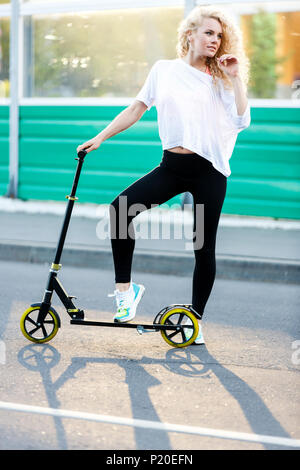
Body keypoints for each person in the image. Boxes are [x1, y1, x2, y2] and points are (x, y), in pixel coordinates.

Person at [77, 6, 251, 344]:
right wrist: (100, 137)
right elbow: (136, 108)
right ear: (190, 34)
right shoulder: (164, 71)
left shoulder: (220, 79)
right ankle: (126, 291)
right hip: (172, 167)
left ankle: (194, 320)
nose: (214, 40)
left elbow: (241, 121)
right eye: (208, 33)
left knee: (203, 247)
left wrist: (236, 78)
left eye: (219, 35)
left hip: (209, 172)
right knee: (120, 209)